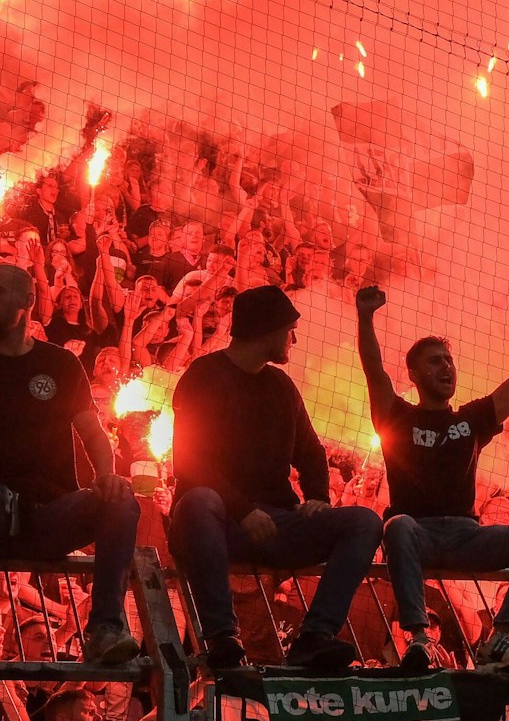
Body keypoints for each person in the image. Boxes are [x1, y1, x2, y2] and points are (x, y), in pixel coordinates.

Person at [357, 283, 509, 672]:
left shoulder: (472, 420)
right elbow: (373, 368)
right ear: (412, 373)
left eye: (448, 360)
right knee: (397, 526)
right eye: (434, 361)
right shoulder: (396, 416)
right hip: (417, 533)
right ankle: (419, 639)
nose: (446, 367)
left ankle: (501, 638)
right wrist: (366, 316)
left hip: (465, 535)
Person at [168, 285, 383, 671]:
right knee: (201, 500)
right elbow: (189, 460)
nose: (294, 339)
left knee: (364, 522)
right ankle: (222, 637)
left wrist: (318, 496)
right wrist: (244, 510)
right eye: (290, 330)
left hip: (275, 523)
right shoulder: (203, 376)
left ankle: (316, 636)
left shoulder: (281, 387)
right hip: (216, 522)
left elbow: (312, 452)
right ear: (267, 330)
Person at [0, 264, 141, 665]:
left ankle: (104, 629)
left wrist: (107, 478)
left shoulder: (60, 364)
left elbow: (93, 432)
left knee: (122, 500)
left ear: (27, 302)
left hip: (48, 514)